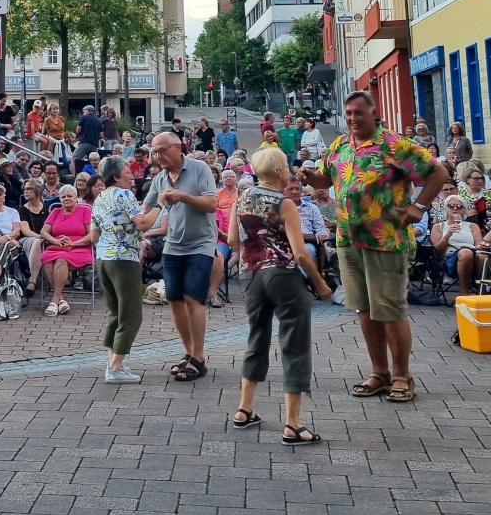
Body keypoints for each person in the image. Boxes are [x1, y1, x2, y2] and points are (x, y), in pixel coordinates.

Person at [304, 90, 442, 405]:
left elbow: (438, 173)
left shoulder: (395, 145)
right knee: (365, 310)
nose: (352, 118)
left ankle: (402, 376)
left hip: (386, 239)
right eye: (348, 113)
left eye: (358, 112)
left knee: (390, 310)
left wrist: (419, 206)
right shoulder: (339, 146)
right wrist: (312, 177)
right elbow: (325, 180)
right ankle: (379, 373)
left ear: (373, 113)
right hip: (349, 240)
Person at [229, 148, 332, 442]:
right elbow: (300, 252)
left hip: (250, 274)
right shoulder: (284, 203)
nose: (289, 171)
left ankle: (244, 409)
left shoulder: (241, 198)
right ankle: (293, 423)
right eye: (286, 167)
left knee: (256, 336)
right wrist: (321, 284)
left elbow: (233, 241)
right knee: (294, 343)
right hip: (283, 274)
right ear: (277, 172)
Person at [142, 129, 220, 380]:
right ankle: (188, 353)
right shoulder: (159, 178)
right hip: (173, 244)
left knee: (193, 298)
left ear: (178, 148)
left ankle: (199, 357)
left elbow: (211, 204)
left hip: (201, 243)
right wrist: (133, 222)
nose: (157, 156)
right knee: (174, 298)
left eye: (162, 151)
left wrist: (182, 197)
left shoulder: (199, 169)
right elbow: (147, 211)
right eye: (154, 152)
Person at [88, 158, 154, 382]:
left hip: (103, 258)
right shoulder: (124, 195)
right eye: (127, 172)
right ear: (116, 176)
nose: (132, 175)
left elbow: (94, 236)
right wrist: (161, 206)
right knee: (131, 314)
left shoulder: (99, 198)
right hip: (124, 259)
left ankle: (114, 363)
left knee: (115, 312)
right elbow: (143, 223)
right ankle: (114, 369)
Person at [39, 185, 92, 315]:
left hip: (79, 248)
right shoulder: (55, 212)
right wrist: (55, 241)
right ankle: (60, 300)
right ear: (60, 199)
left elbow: (91, 235)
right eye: (63, 197)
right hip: (57, 246)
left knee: (61, 260)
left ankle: (55, 299)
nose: (66, 199)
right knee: (46, 259)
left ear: (76, 198)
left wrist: (74, 243)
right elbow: (43, 233)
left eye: (70, 196)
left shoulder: (85, 210)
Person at [430, 195, 483, 292]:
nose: (455, 208)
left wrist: (483, 246)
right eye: (451, 206)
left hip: (473, 254)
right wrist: (448, 235)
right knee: (465, 253)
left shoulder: (472, 226)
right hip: (449, 259)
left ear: (464, 211)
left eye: (459, 207)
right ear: (446, 209)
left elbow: (479, 245)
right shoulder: (439, 227)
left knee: (482, 256)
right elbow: (436, 251)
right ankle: (464, 291)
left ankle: (482, 289)